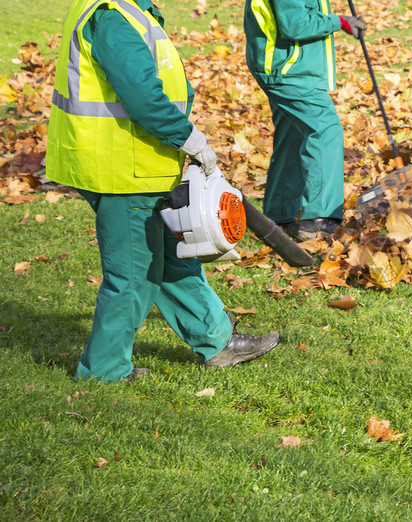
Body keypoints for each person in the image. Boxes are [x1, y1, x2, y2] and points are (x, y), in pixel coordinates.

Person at [46, 0, 280, 383]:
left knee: (173, 255)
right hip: (121, 170)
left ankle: (216, 340)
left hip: (139, 162)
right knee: (135, 274)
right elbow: (142, 96)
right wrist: (187, 137)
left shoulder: (129, 10)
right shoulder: (112, 17)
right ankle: (103, 371)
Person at [244, 0, 366, 241]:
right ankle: (319, 221)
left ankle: (278, 217)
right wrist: (338, 21)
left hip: (285, 67)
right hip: (288, 71)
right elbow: (295, 25)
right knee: (325, 129)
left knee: (293, 135)